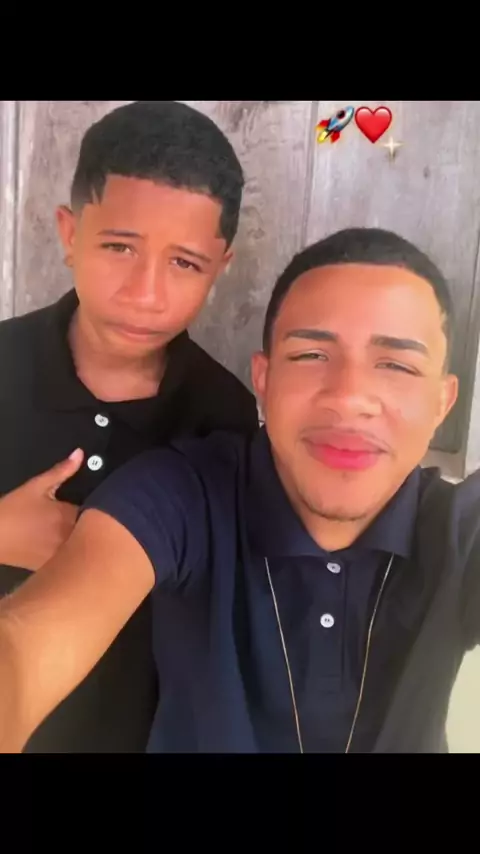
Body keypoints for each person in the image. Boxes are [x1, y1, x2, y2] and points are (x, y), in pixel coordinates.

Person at [1, 226, 479, 754]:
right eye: (311, 356)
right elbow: (25, 644)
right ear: (264, 380)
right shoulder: (181, 494)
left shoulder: (461, 528)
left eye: (396, 365)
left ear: (442, 402)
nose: (348, 398)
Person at [0, 100, 259, 753]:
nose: (145, 294)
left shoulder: (224, 417)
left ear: (221, 266)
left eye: (184, 263)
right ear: (69, 234)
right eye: (119, 247)